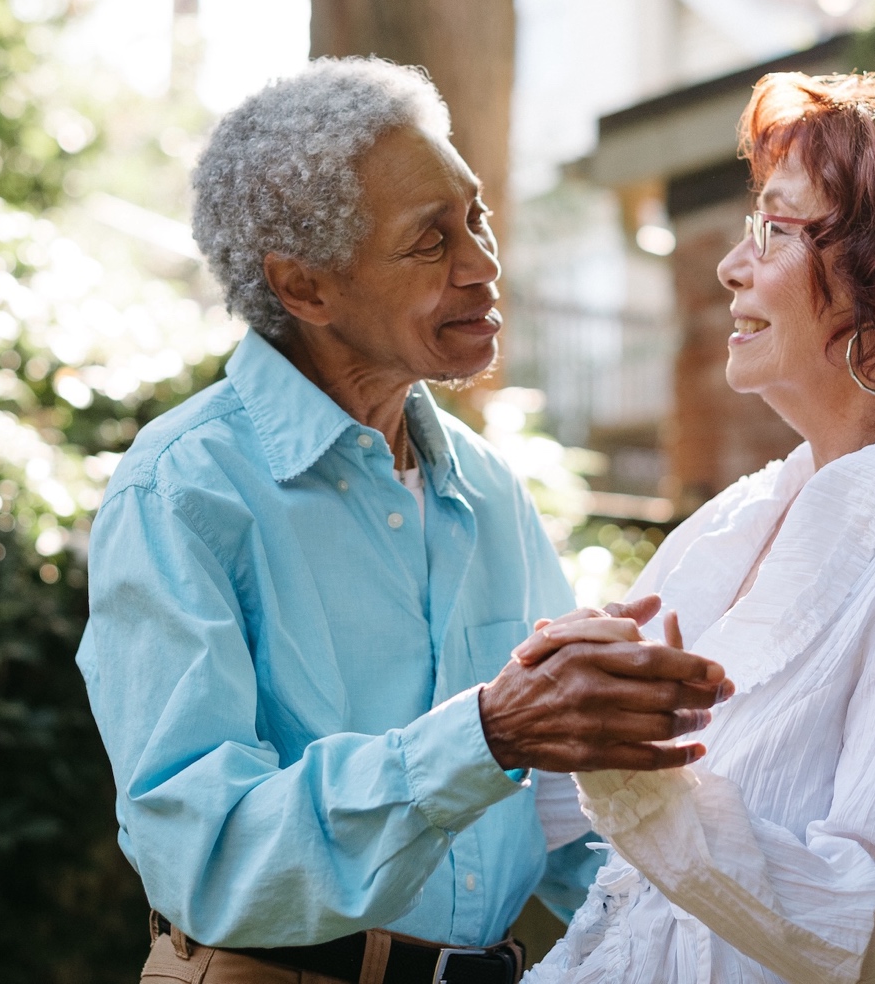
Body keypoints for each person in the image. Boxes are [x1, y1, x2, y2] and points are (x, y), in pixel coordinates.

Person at [77, 58, 731, 984]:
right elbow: (208, 861)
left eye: (476, 218)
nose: (482, 265)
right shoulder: (182, 491)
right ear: (304, 288)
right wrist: (486, 734)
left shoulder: (488, 488)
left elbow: (567, 811)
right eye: (430, 241)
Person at [510, 53, 875, 984]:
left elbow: (870, 930)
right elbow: (564, 815)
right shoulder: (739, 519)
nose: (730, 264)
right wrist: (554, 695)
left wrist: (635, 780)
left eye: (776, 229)